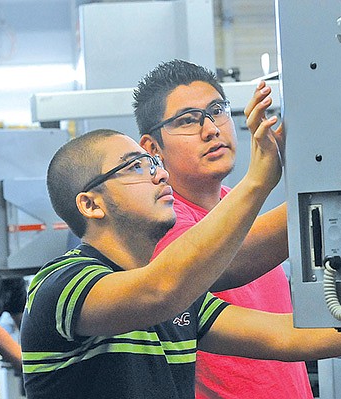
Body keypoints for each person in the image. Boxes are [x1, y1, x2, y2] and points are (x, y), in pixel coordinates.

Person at [20, 128, 341, 399]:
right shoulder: (61, 284)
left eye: (154, 165)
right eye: (136, 167)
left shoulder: (181, 300)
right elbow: (159, 290)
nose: (158, 176)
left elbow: (290, 337)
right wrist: (258, 180)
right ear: (91, 204)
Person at [133, 59, 310, 398]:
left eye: (216, 111)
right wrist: (328, 185)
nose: (211, 129)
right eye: (186, 120)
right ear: (152, 148)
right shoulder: (162, 224)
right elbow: (233, 260)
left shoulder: (235, 208)